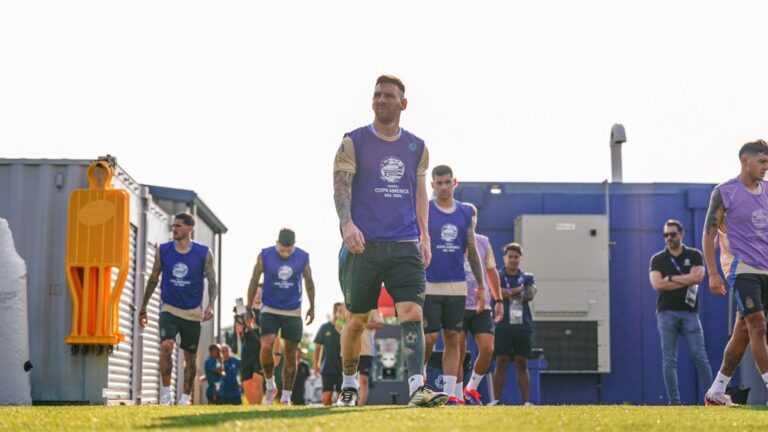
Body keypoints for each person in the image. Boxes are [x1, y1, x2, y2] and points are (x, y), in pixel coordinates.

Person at [333, 74, 447, 408]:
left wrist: (425, 236)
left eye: (388, 95)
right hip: (362, 244)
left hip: (404, 243)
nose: (381, 100)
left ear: (403, 103)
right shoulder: (352, 141)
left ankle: (417, 387)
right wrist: (347, 224)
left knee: (411, 312)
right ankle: (350, 386)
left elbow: (420, 193)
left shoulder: (417, 147)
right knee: (355, 320)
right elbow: (341, 186)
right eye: (377, 94)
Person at [703, 139, 768, 406]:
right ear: (745, 161)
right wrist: (713, 273)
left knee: (742, 331)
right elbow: (708, 234)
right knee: (758, 325)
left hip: (765, 269)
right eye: (762, 162)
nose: (766, 167)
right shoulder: (724, 192)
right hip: (741, 269)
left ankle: (717, 391)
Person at [422, 165, 487, 406]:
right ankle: (420, 381)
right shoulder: (425, 211)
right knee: (428, 340)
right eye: (438, 183)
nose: (443, 187)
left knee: (452, 338)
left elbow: (472, 251)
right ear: (432, 185)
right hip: (429, 285)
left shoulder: (465, 213)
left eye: (447, 182)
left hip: (457, 286)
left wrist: (481, 287)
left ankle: (450, 395)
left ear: (455, 183)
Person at [138, 212, 218, 406]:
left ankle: (184, 399)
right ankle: (166, 395)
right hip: (169, 309)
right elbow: (153, 278)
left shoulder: (203, 253)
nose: (174, 229)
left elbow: (212, 281)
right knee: (166, 346)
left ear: (190, 228)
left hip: (192, 312)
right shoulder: (163, 250)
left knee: (190, 359)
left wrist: (211, 305)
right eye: (173, 226)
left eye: (179, 226)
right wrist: (143, 307)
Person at [247, 228, 315, 406]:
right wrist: (248, 307)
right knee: (267, 345)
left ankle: (286, 396)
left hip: (292, 310)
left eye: (289, 250)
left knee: (290, 354)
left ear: (294, 246)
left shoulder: (302, 257)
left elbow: (309, 281)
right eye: (282, 250)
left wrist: (312, 306)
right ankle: (270, 384)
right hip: (270, 308)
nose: (285, 253)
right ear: (277, 243)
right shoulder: (265, 255)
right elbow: (254, 280)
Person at [648, 219, 712, 405]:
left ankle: (712, 399)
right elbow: (656, 284)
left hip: (690, 313)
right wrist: (686, 278)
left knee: (700, 357)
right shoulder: (658, 259)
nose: (669, 238)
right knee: (669, 359)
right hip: (666, 313)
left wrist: (670, 278)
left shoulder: (694, 255)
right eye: (666, 235)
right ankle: (674, 402)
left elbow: (699, 277)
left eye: (672, 234)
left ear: (681, 234)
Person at [458, 203, 504, 405]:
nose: (471, 219)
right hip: (456, 304)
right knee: (457, 353)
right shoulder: (451, 239)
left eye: (473, 216)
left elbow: (491, 272)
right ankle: (456, 396)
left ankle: (471, 389)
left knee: (487, 348)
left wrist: (499, 299)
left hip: (480, 306)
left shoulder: (484, 242)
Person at [490, 243, 537, 406]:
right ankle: (495, 400)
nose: (513, 260)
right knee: (501, 360)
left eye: (516, 257)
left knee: (522, 362)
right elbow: (497, 293)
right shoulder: (498, 276)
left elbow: (530, 295)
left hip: (523, 326)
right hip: (502, 325)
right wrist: (517, 290)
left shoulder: (528, 277)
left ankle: (526, 402)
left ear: (520, 259)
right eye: (510, 256)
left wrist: (507, 292)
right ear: (505, 258)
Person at [314, 303, 344, 406]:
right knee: (327, 396)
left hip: (343, 367)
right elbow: (317, 348)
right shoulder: (325, 327)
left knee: (342, 397)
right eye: (337, 309)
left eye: (341, 310)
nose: (338, 312)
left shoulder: (347, 329)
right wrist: (315, 366)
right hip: (327, 367)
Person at [239, 288, 263, 405]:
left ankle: (258, 409)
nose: (258, 296)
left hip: (262, 353)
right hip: (246, 353)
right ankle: (253, 409)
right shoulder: (243, 312)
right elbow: (240, 335)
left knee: (257, 381)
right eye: (256, 293)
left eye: (261, 293)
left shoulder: (267, 313)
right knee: (247, 384)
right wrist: (240, 329)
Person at [359, 309, 384, 406]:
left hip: (367, 351)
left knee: (363, 381)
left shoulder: (374, 309)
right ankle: (347, 404)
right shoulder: (347, 305)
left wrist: (362, 323)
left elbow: (380, 324)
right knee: (348, 379)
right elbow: (339, 323)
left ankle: (359, 406)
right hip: (349, 351)